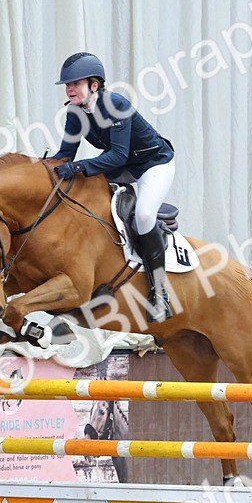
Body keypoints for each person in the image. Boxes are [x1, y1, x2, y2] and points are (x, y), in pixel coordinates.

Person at [51, 52, 176, 323]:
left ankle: (159, 293)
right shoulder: (75, 112)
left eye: (75, 83)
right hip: (121, 167)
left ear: (94, 85)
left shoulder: (116, 104)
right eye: (67, 85)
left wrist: (80, 166)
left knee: (143, 215)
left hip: (153, 164)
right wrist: (42, 171)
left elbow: (118, 154)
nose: (69, 89)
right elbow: (65, 155)